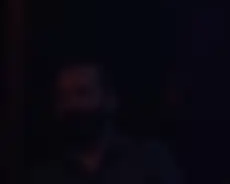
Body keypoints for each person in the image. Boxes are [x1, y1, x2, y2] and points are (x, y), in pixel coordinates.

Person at [31, 59, 181, 184]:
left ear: (110, 100)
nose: (72, 105)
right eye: (63, 97)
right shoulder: (45, 176)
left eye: (83, 93)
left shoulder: (150, 161)